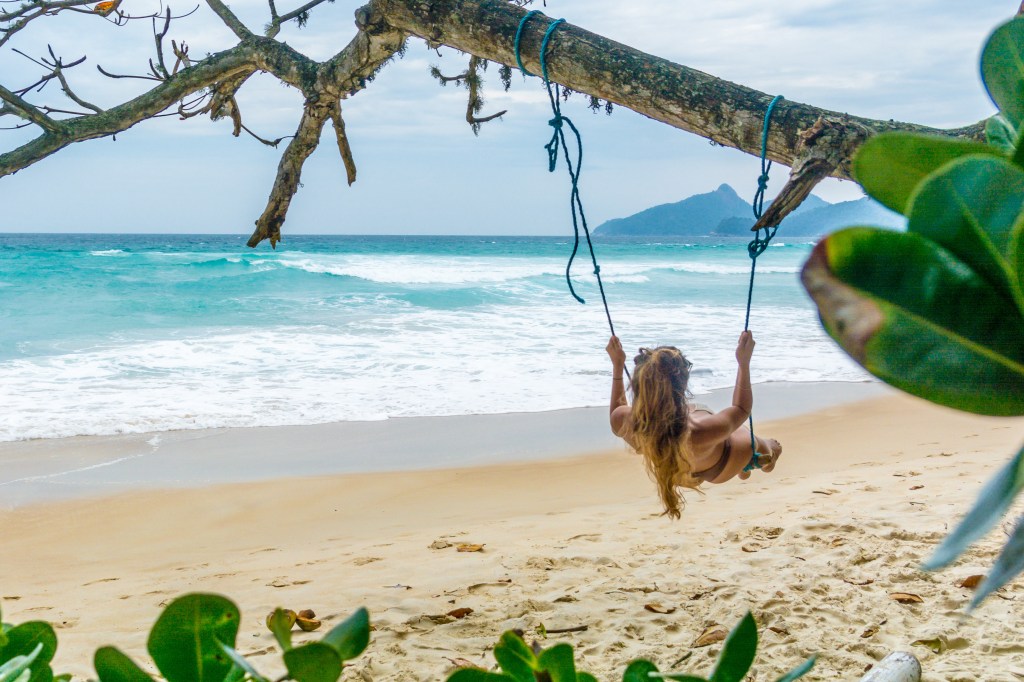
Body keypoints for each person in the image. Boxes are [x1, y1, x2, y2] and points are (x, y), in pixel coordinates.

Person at [606, 331, 782, 519]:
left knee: (699, 414)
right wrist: (743, 363)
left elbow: (618, 409)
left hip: (678, 475)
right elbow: (741, 408)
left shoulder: (628, 422)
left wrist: (617, 365)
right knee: (753, 439)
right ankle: (762, 458)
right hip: (722, 467)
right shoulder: (701, 429)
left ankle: (744, 468)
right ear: (683, 384)